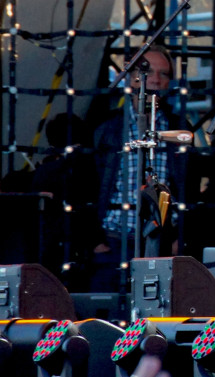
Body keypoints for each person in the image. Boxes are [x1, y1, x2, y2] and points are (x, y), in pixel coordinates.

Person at [90, 46, 188, 289]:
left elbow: (187, 188)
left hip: (163, 240)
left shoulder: (178, 128)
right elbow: (89, 183)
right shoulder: (108, 128)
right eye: (147, 72)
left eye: (163, 74)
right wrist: (94, 241)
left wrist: (179, 238)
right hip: (114, 239)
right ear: (131, 77)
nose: (155, 79)